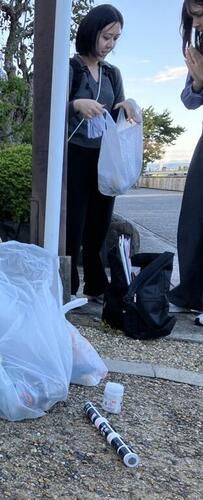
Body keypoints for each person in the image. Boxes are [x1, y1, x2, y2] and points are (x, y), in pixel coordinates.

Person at [66, 4, 137, 300]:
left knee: (99, 225)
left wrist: (127, 107)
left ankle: (96, 286)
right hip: (75, 154)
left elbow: (117, 111)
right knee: (73, 224)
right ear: (91, 32)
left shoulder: (111, 74)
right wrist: (75, 104)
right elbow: (49, 110)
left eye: (115, 38)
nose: (110, 44)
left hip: (104, 157)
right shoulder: (70, 68)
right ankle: (67, 286)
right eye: (106, 37)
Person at [169, 0, 203, 326]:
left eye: (201, 15)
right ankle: (191, 292)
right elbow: (188, 99)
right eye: (192, 18)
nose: (197, 23)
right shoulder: (199, 46)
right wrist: (198, 81)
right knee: (193, 214)